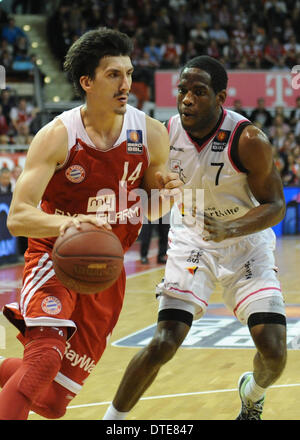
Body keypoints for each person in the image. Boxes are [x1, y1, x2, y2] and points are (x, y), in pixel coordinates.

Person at [0, 27, 182, 420]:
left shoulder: (150, 132)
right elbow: (18, 217)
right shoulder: (57, 136)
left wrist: (165, 192)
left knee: (51, 403)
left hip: (105, 269)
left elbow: (149, 210)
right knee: (43, 360)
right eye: (114, 74)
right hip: (54, 257)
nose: (126, 84)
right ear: (87, 82)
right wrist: (68, 226)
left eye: (129, 73)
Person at [103, 55, 287, 421]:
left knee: (274, 352)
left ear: (221, 97)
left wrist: (232, 228)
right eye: (183, 90)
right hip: (191, 240)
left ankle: (252, 393)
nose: (187, 98)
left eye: (198, 92)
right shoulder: (162, 134)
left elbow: (276, 205)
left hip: (245, 244)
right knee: (163, 341)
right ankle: (112, 422)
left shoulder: (249, 139)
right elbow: (144, 195)